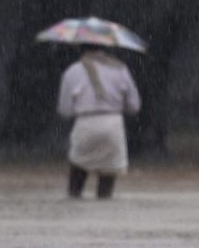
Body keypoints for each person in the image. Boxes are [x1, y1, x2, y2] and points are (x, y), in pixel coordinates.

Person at [57, 45, 141, 199]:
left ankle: (75, 197)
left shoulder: (72, 71)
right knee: (108, 170)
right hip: (113, 123)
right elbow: (134, 105)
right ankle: (104, 203)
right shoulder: (120, 69)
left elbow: (65, 110)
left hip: (85, 122)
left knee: (79, 165)